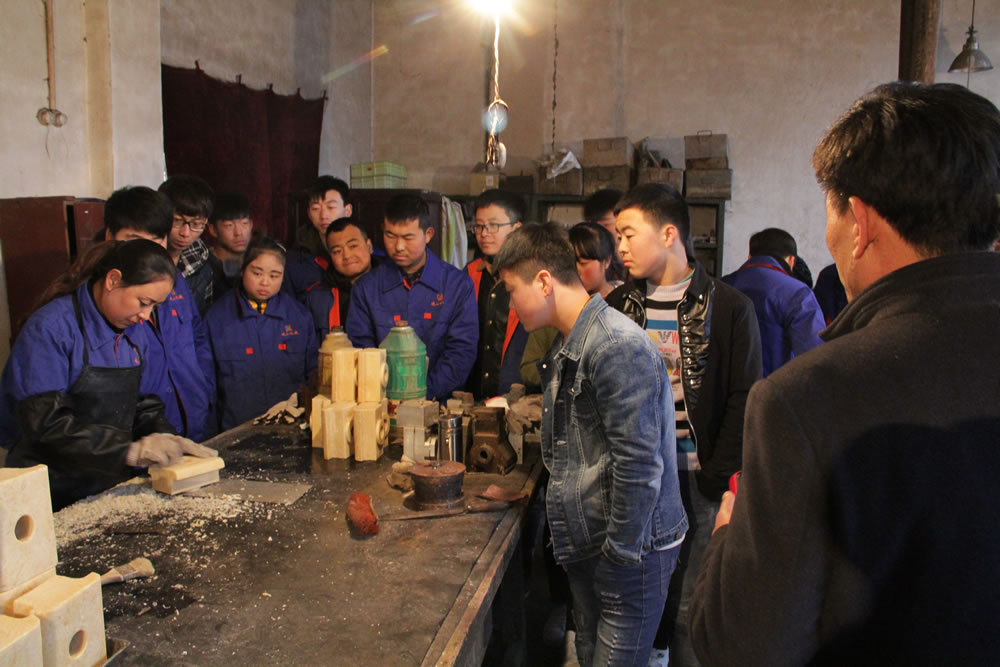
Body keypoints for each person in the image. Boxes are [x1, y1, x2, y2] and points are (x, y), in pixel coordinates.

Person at [690, 82, 1000, 665]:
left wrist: (728, 535)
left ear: (860, 221)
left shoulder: (808, 398)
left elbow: (746, 650)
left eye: (829, 214)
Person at [494, 223, 687, 666]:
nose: (511, 305)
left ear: (544, 281)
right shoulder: (571, 341)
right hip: (595, 546)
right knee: (587, 654)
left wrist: (619, 554)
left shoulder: (614, 346)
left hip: (628, 553)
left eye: (512, 290)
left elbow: (640, 466)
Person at [605, 182, 761, 665]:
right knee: (636, 598)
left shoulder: (730, 307)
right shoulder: (618, 306)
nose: (620, 246)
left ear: (669, 233)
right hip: (635, 477)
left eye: (629, 234)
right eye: (617, 236)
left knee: (693, 602)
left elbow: (745, 397)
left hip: (696, 477)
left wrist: (715, 474)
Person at [0, 240, 216, 509]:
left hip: (106, 485)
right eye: (143, 302)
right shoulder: (51, 329)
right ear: (113, 280)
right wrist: (128, 450)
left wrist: (164, 436)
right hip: (50, 490)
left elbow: (142, 403)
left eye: (154, 307)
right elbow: (45, 424)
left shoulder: (134, 332)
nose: (146, 315)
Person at [102, 187, 216, 443]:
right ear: (110, 236)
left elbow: (197, 337)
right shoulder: (104, 298)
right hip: (140, 440)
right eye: (133, 240)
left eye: (155, 241)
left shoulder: (174, 281)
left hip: (193, 421)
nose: (145, 252)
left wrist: (204, 388)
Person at [346, 193, 477, 401]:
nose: (398, 246)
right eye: (390, 236)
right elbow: (362, 350)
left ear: (428, 234)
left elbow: (461, 352)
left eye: (408, 238)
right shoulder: (366, 289)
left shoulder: (457, 285)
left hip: (440, 403)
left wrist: (423, 395)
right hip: (382, 402)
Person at [204, 237, 318, 431]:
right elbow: (207, 386)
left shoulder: (299, 316)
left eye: (275, 276)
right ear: (242, 269)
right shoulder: (217, 318)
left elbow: (313, 376)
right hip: (235, 430)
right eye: (257, 273)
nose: (265, 282)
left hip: (290, 428)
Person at [722, 228, 825, 376]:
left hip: (725, 387)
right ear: (791, 261)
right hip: (775, 387)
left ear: (750, 256)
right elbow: (814, 358)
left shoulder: (721, 286)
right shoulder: (798, 293)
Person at [465, 189, 528, 400]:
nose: (484, 233)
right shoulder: (468, 275)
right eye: (479, 226)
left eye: (493, 225)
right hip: (473, 395)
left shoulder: (531, 279)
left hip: (516, 397)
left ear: (516, 229)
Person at [305, 217, 378, 341]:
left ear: (369, 246)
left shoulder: (391, 286)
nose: (347, 256)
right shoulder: (318, 297)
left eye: (353, 246)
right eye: (337, 251)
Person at [285, 176, 353, 302]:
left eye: (331, 207)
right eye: (315, 209)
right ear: (309, 214)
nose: (323, 216)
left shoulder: (364, 255)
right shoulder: (295, 260)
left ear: (348, 211)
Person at [159, 175, 216, 315]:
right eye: (177, 221)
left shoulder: (203, 265)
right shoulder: (144, 256)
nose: (185, 233)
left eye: (196, 224)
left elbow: (202, 317)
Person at [207, 192, 253, 297]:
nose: (238, 233)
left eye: (244, 223)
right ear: (213, 230)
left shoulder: (258, 260)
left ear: (251, 224)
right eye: (229, 225)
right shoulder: (204, 267)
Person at [570, 221, 625, 298]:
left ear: (607, 261)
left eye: (583, 263)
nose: (576, 271)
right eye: (569, 264)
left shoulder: (625, 297)